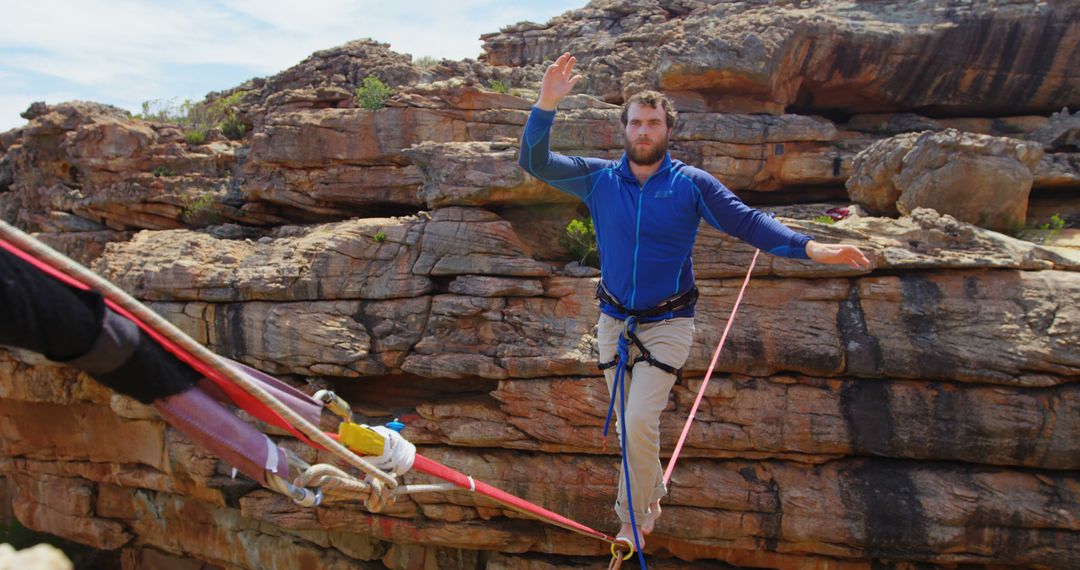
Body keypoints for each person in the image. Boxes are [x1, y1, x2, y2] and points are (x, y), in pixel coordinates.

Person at [518, 53, 870, 546]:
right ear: (623, 129)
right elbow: (533, 161)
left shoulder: (690, 185)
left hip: (668, 323)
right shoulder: (597, 178)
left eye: (653, 122)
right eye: (637, 122)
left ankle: (633, 518)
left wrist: (815, 248)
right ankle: (649, 497)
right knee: (628, 426)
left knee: (638, 418)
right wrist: (545, 105)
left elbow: (748, 222)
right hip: (613, 322)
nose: (644, 130)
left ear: (667, 130)